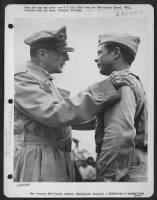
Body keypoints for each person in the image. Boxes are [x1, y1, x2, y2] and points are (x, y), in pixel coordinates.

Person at [14, 27, 131, 182]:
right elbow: (56, 115)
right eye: (62, 53)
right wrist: (103, 89)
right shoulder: (22, 79)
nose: (67, 58)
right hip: (37, 160)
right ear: (42, 54)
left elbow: (67, 119)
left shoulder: (43, 80)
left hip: (50, 157)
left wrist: (108, 118)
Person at [94, 33, 148, 182]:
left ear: (116, 53)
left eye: (100, 52)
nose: (96, 58)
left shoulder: (120, 84)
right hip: (135, 167)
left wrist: (106, 179)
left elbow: (118, 137)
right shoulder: (134, 81)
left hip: (120, 173)